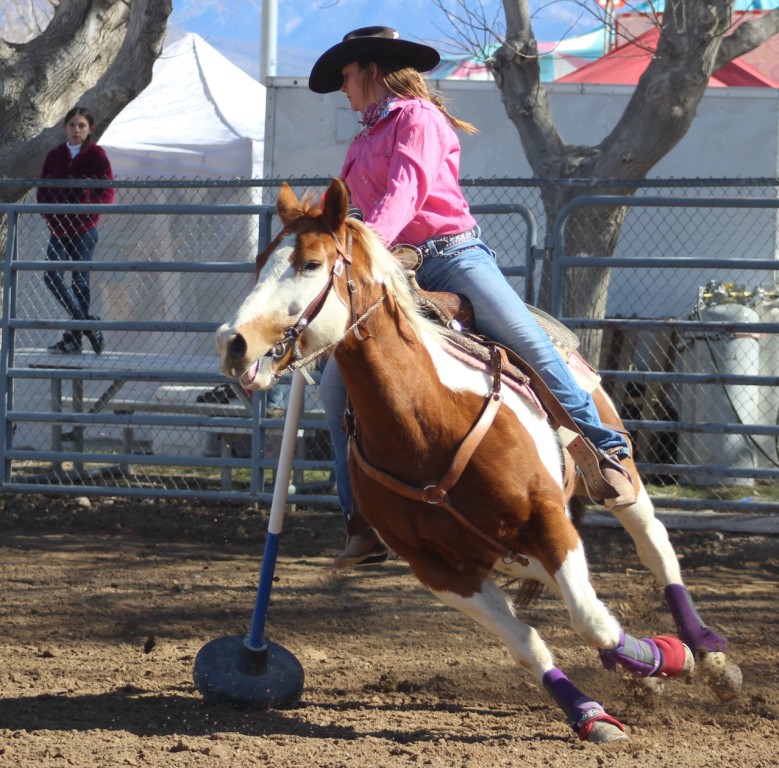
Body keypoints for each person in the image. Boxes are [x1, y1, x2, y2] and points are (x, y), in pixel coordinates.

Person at [308, 27, 636, 568]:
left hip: (453, 255)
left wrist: (366, 252)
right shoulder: (363, 140)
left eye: (345, 76)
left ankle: (605, 450)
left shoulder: (418, 118)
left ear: (369, 69)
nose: (343, 89)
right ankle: (361, 521)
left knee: (523, 338)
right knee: (335, 389)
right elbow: (352, 211)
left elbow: (405, 194)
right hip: (398, 264)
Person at [38, 106, 115, 354]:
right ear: (65, 128)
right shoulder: (54, 155)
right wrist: (52, 217)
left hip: (85, 229)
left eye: (81, 125)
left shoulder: (97, 156)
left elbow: (107, 192)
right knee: (52, 276)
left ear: (90, 129)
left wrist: (87, 212)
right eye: (72, 125)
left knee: (80, 281)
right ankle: (87, 324)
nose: (76, 129)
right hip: (59, 228)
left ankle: (73, 339)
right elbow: (43, 191)